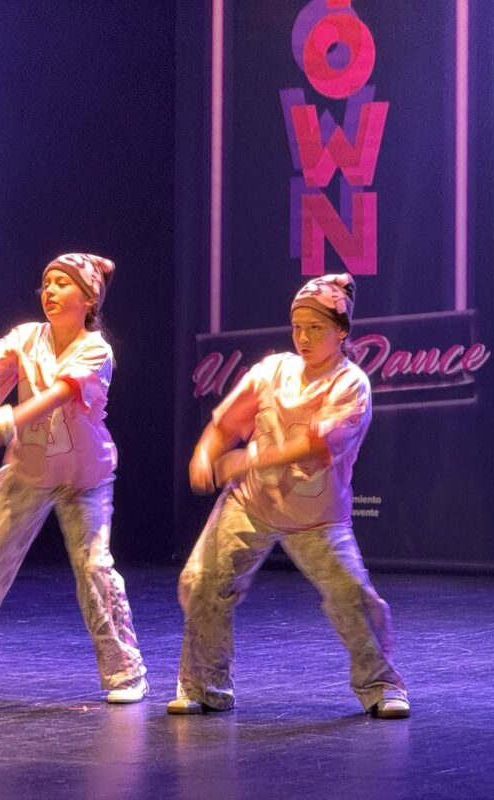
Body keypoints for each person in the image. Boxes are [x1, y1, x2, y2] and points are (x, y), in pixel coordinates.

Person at [0, 253, 148, 703]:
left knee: (95, 570)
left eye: (62, 283)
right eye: (46, 283)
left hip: (85, 478)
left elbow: (59, 394)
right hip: (26, 472)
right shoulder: (25, 338)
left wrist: (7, 420)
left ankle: (125, 674)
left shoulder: (96, 349)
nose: (50, 291)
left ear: (88, 298)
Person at [168, 273, 409, 718]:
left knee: (351, 596)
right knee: (202, 582)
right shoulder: (272, 370)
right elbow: (226, 424)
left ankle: (382, 686)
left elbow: (317, 444)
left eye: (316, 327)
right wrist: (204, 454)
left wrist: (250, 459)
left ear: (341, 331)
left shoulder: (350, 383)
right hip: (251, 503)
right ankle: (205, 686)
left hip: (317, 515)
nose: (303, 337)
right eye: (298, 326)